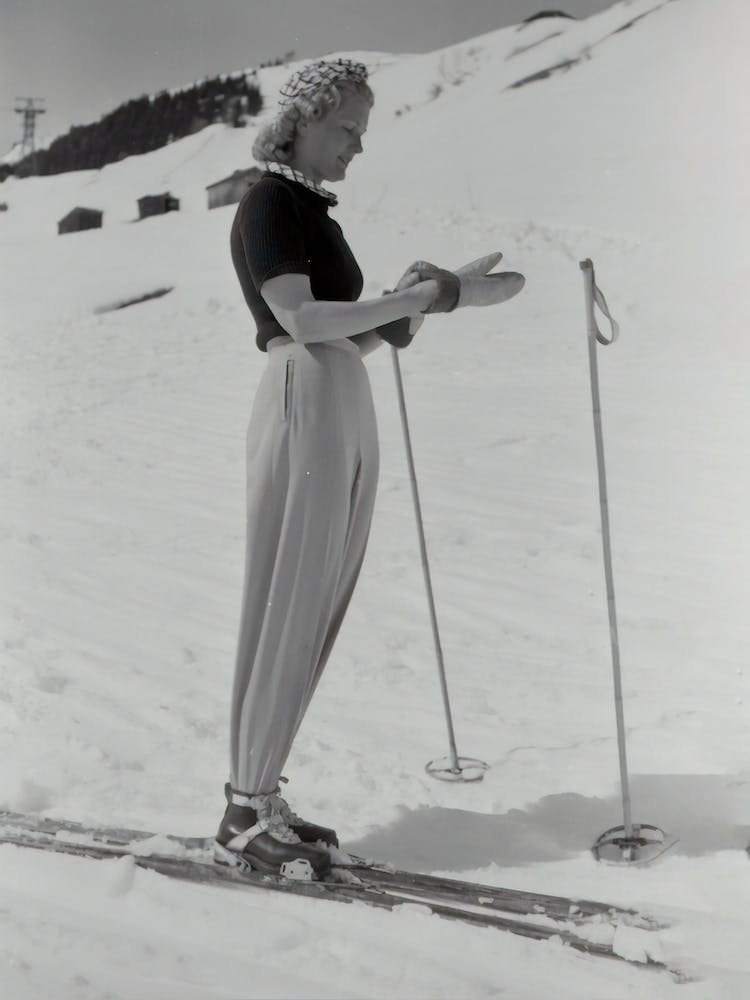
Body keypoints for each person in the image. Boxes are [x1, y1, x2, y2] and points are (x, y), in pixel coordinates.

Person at [215, 58, 460, 879]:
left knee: (320, 594)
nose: (358, 144)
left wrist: (400, 310)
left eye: (362, 129)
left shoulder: (311, 208)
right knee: (289, 593)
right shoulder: (270, 202)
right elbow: (301, 317)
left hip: (339, 393)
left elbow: (343, 332)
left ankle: (261, 789)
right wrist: (405, 304)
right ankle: (244, 809)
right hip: (304, 396)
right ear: (305, 122)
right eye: (348, 127)